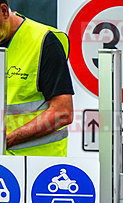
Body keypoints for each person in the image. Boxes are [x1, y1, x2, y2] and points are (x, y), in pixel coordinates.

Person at [1, 1, 74, 156]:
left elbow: (63, 112)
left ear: (4, 11)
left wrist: (5, 141)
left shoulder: (44, 42)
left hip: (38, 168)